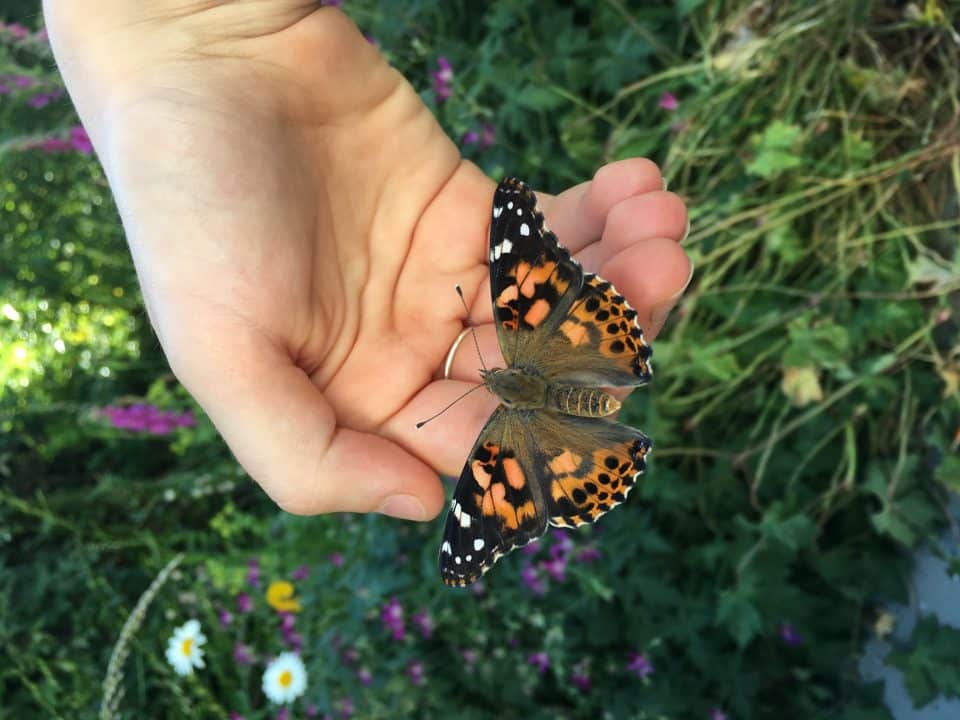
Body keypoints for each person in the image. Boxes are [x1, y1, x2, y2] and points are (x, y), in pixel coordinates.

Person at [43, 2, 692, 521]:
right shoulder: (516, 340)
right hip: (558, 345)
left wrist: (180, 29)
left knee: (635, 267)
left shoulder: (495, 407)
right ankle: (611, 369)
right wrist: (178, 35)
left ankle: (607, 442)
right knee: (601, 292)